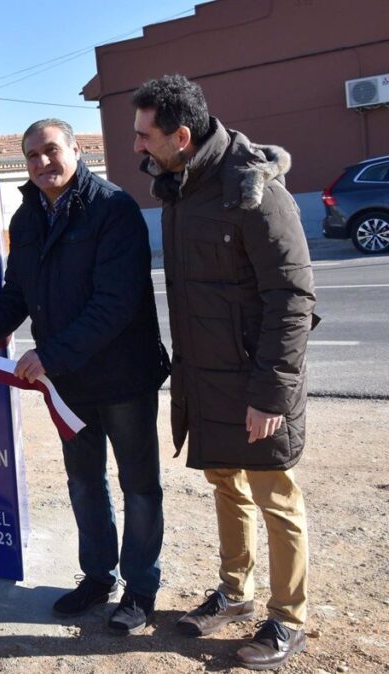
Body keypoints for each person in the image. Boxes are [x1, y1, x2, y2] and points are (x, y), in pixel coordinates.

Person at [0, 118, 170, 634]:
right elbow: (17, 295)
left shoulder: (113, 209)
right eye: (32, 155)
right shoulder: (26, 218)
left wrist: (50, 355)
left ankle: (140, 589)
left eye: (51, 151)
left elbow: (114, 304)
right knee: (84, 483)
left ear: (75, 149)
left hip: (122, 379)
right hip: (69, 386)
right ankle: (97, 578)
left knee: (139, 487)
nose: (42, 163)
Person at [132, 74, 316, 670]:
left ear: (180, 135)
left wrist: (270, 395)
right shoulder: (180, 187)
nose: (137, 146)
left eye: (144, 135)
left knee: (274, 497)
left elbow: (292, 299)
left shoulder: (252, 188)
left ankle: (290, 619)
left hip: (256, 383)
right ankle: (235, 593)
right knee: (226, 487)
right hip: (205, 379)